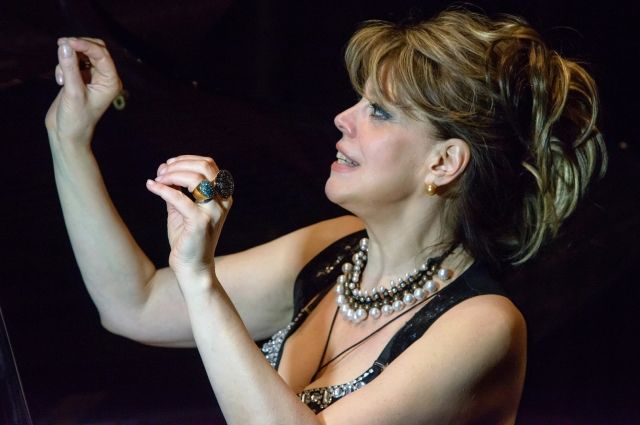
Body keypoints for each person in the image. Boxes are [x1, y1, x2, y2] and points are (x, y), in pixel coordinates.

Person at [45, 8, 606, 425]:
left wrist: (201, 278)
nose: (342, 118)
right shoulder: (335, 249)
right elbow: (134, 305)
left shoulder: (484, 325)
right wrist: (68, 139)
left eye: (378, 111)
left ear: (444, 162)